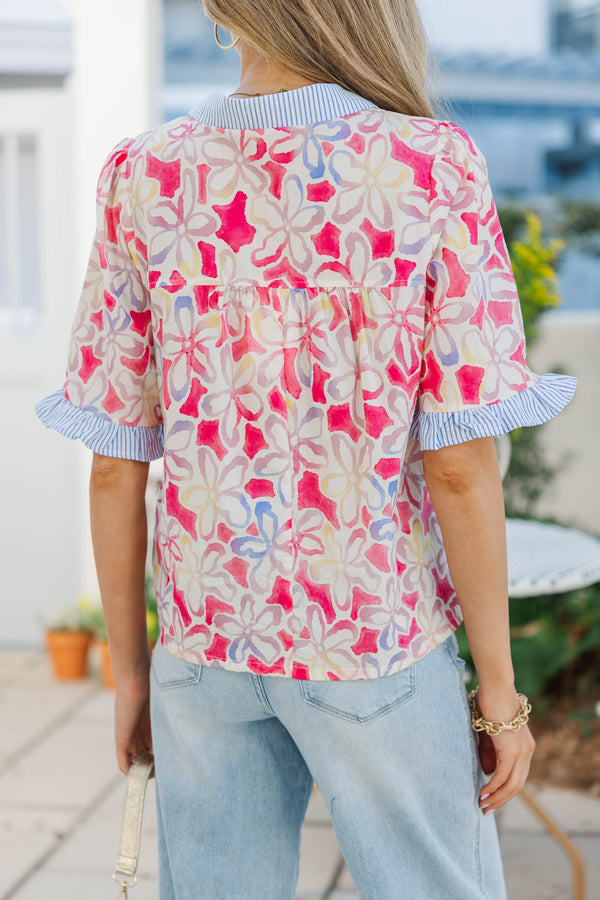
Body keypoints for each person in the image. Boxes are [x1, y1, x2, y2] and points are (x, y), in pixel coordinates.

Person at [36, 1, 577, 897]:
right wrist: (499, 693)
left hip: (204, 643)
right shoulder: (429, 167)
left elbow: (113, 463)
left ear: (220, 11)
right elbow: (459, 464)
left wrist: (132, 674)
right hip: (375, 639)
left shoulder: (143, 174)